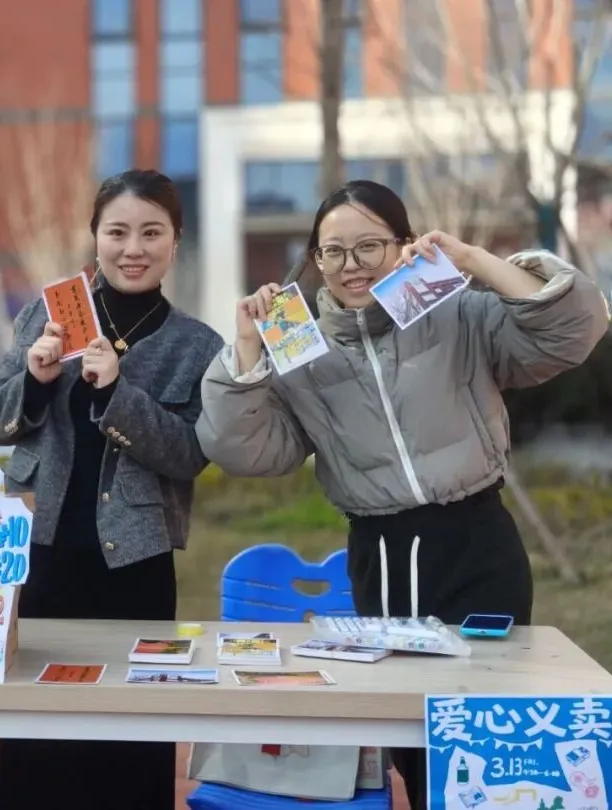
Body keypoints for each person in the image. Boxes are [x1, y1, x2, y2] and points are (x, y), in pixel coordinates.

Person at [195, 179, 609, 810]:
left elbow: (574, 328)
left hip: (478, 545)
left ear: (404, 245)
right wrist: (248, 350)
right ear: (316, 260)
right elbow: (248, 451)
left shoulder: (459, 313)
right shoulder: (299, 349)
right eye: (333, 251)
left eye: (369, 246)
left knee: (487, 736)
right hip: (381, 560)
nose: (351, 265)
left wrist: (471, 259)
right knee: (409, 742)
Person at [0, 168, 224, 810]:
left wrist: (117, 392)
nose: (132, 248)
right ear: (95, 237)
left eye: (151, 233)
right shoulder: (47, 315)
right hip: (41, 558)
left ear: (175, 242)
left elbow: (189, 454)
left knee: (130, 745)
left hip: (136, 568)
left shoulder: (197, 346)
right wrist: (34, 381)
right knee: (37, 744)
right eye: (117, 232)